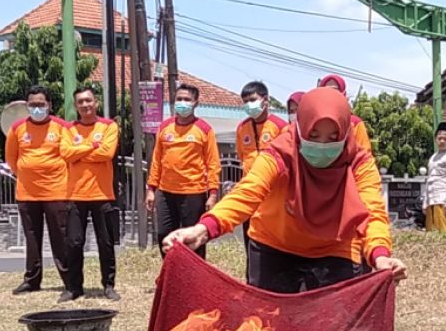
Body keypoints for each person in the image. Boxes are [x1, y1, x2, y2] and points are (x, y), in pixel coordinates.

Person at [163, 87, 407, 292]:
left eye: (333, 136)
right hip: (274, 246)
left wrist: (380, 255)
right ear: (300, 129)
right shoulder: (281, 153)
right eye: (314, 134)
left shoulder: (358, 161)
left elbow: (373, 212)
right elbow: (248, 191)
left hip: (335, 250)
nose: (323, 145)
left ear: (346, 133)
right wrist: (204, 229)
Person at [4, 86, 71, 295]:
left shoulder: (62, 127)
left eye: (41, 104)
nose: (36, 108)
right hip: (27, 193)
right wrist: (26, 173)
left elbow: (70, 156)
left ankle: (69, 280)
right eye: (32, 105)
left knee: (60, 238)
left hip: (57, 192)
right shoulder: (17, 128)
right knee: (32, 238)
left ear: (49, 105)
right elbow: (11, 159)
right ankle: (32, 280)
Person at [60, 86, 120, 302]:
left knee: (106, 243)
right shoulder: (68, 129)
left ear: (96, 102)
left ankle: (109, 285)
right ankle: (74, 288)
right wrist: (92, 145)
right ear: (76, 106)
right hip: (76, 195)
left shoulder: (109, 126)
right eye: (80, 102)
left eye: (88, 101)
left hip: (102, 194)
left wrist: (80, 153)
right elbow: (65, 153)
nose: (85, 105)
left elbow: (107, 153)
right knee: (74, 243)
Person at [147, 83, 221, 259]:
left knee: (193, 239)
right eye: (179, 99)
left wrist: (212, 194)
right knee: (164, 236)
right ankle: (170, 276)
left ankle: (195, 280)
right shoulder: (164, 127)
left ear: (196, 102)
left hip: (193, 193)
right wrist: (151, 189)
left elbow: (213, 164)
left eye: (187, 99)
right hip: (165, 192)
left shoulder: (204, 129)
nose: (182, 102)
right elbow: (156, 161)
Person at [236, 81, 289, 277]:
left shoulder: (280, 126)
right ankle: (252, 282)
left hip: (274, 196)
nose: (248, 105)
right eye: (245, 101)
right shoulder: (242, 128)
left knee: (274, 243)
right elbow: (242, 157)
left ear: (265, 101)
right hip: (251, 193)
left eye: (252, 100)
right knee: (250, 241)